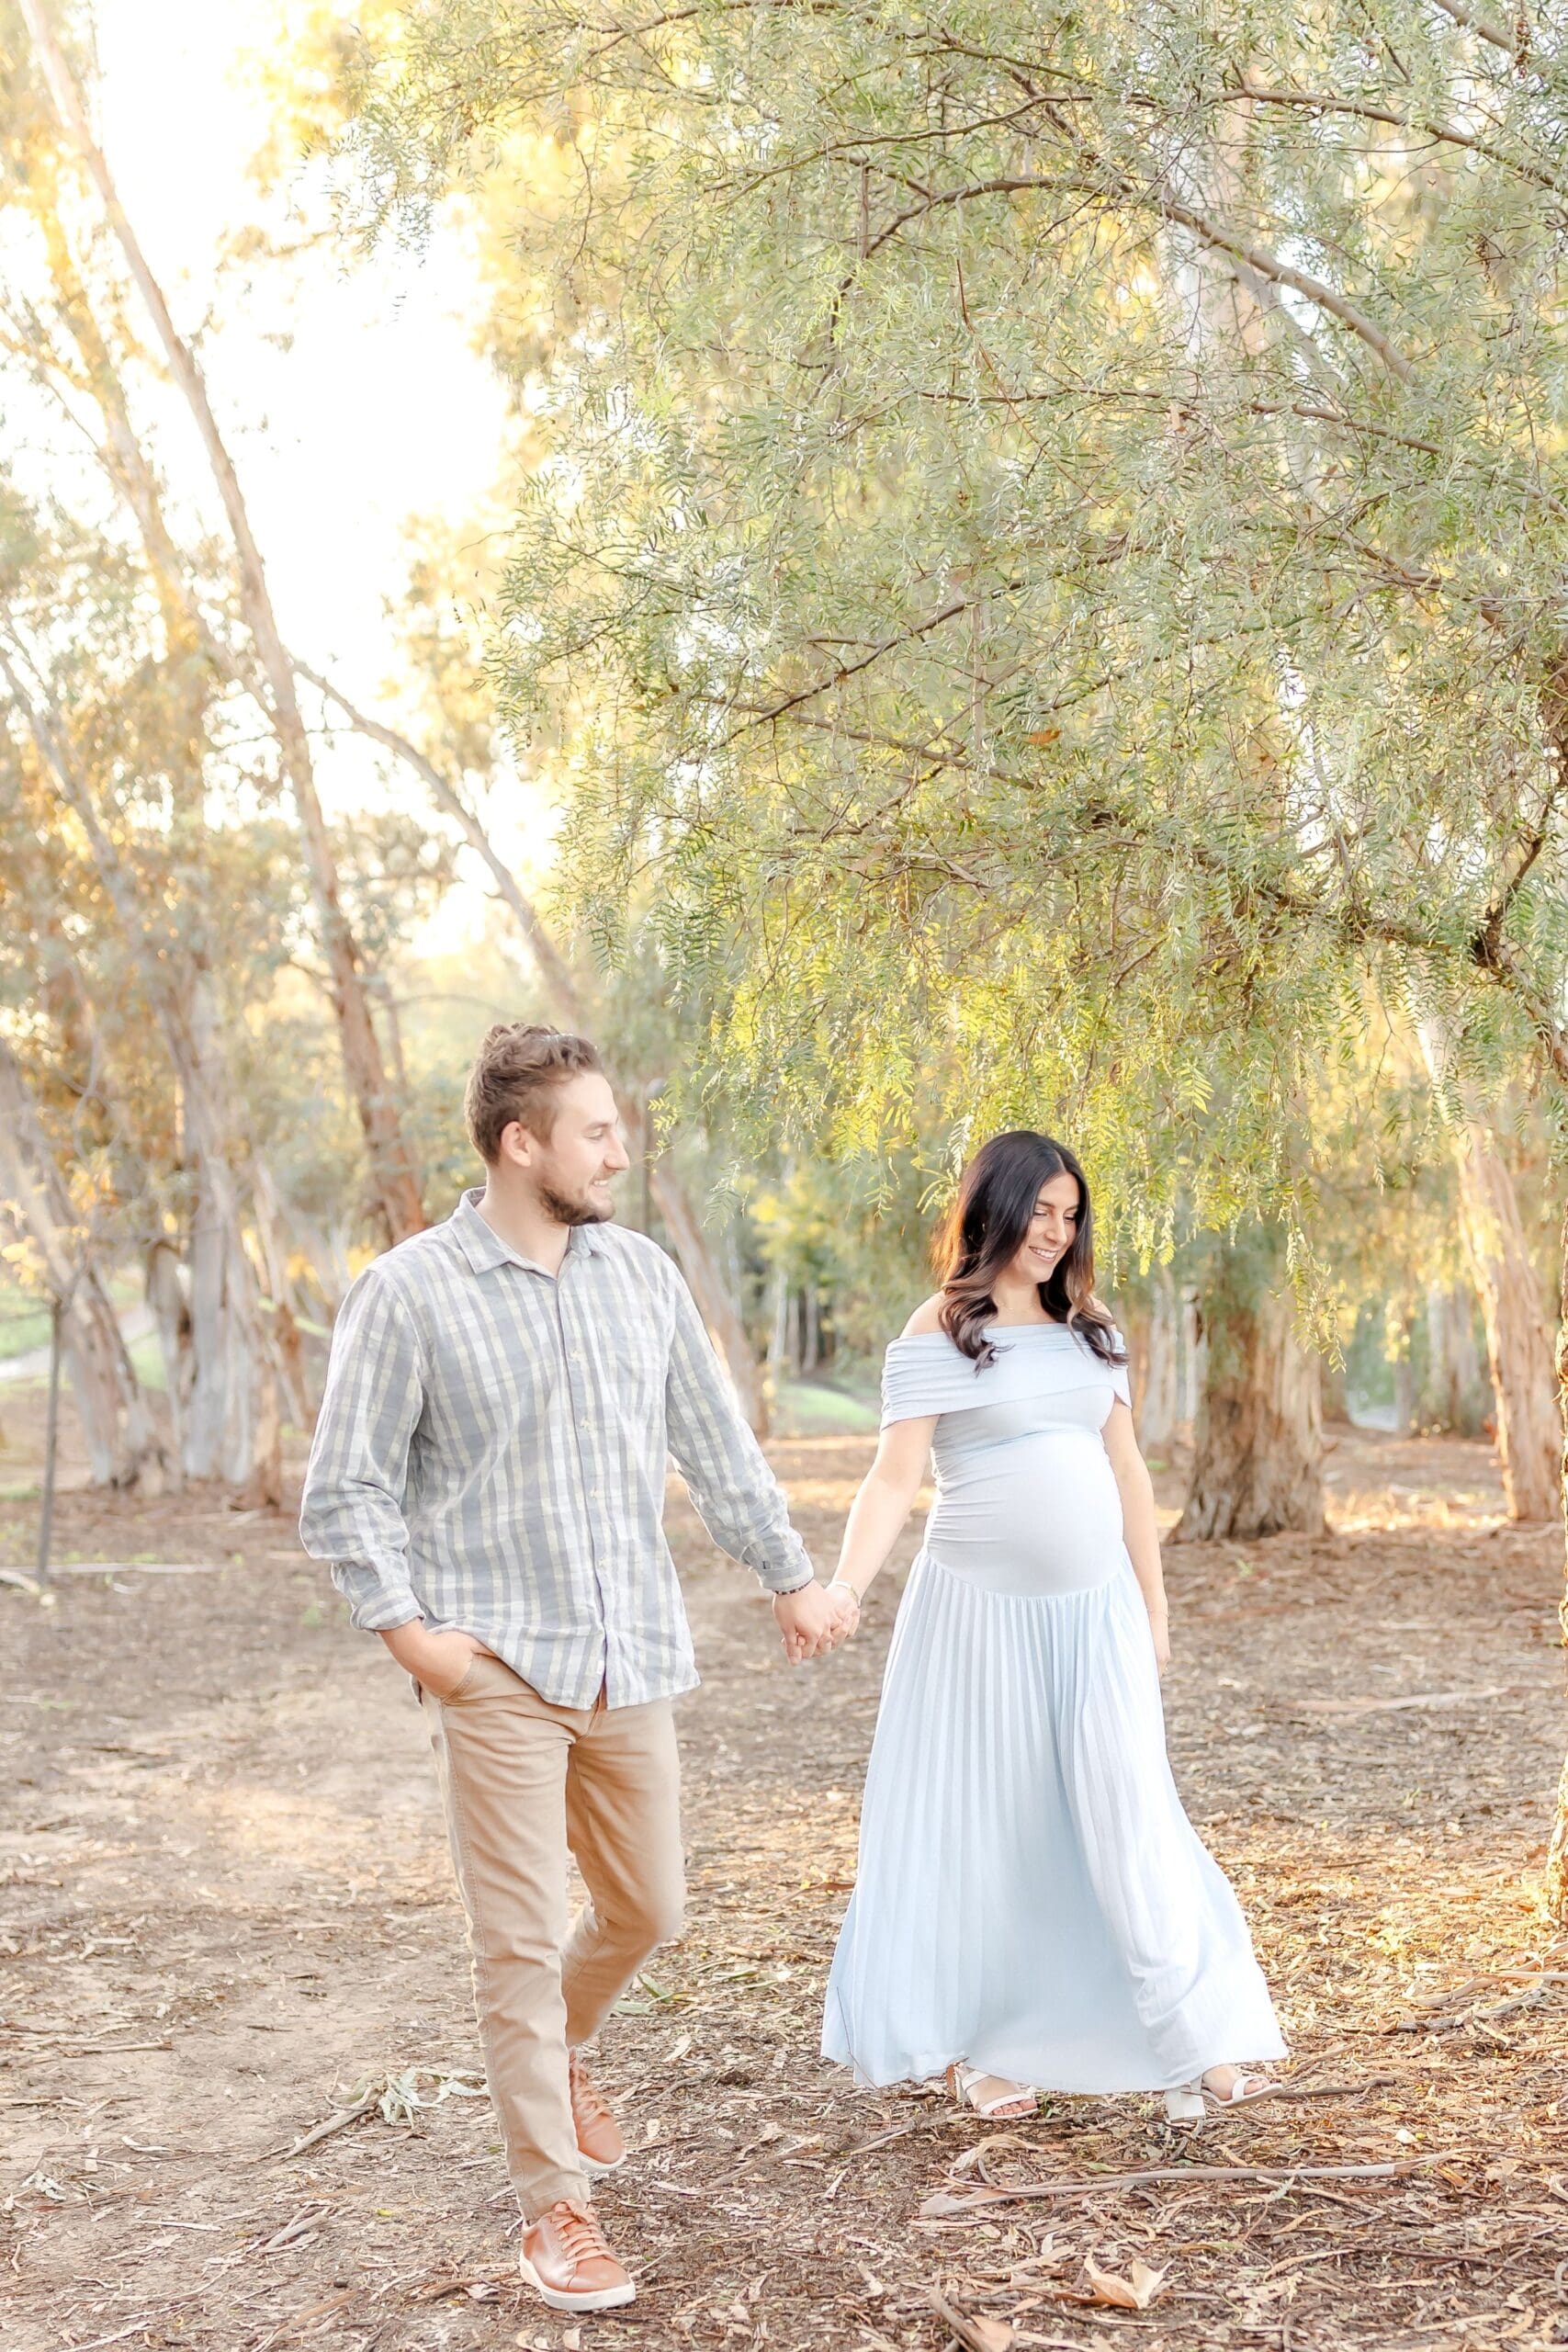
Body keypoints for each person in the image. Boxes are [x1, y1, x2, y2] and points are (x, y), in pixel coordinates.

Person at [300, 1024, 850, 2313]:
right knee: (512, 1949)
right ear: (519, 1144)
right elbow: (346, 1491)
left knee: (650, 1908)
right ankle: (554, 2209)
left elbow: (714, 1444)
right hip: (493, 1665)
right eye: (596, 1132)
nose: (618, 1152)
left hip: (629, 1657)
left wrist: (788, 1575)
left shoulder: (641, 1276)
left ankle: (569, 2046)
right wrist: (411, 1638)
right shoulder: (410, 1291)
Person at [820, 1130, 1284, 2123]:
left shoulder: (1090, 1322)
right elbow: (893, 1478)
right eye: (1041, 1210)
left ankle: (1191, 2033)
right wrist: (848, 1586)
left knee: (1130, 1812)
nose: (1055, 1231)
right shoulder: (940, 1326)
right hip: (973, 1620)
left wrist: (1154, 1608)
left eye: (1070, 1215)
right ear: (996, 1206)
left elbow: (1128, 1471)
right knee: (983, 1824)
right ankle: (978, 2045)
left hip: (1096, 1616)